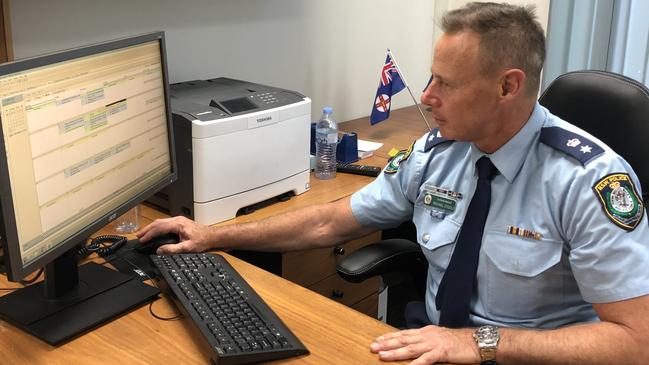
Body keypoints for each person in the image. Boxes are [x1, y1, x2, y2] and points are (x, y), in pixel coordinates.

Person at [138, 2, 649, 364]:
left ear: (507, 86)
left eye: (445, 84)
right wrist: (211, 236)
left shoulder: (588, 180)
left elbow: (634, 342)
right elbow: (329, 221)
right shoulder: (440, 152)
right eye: (430, 78)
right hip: (426, 344)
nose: (426, 97)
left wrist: (480, 344)